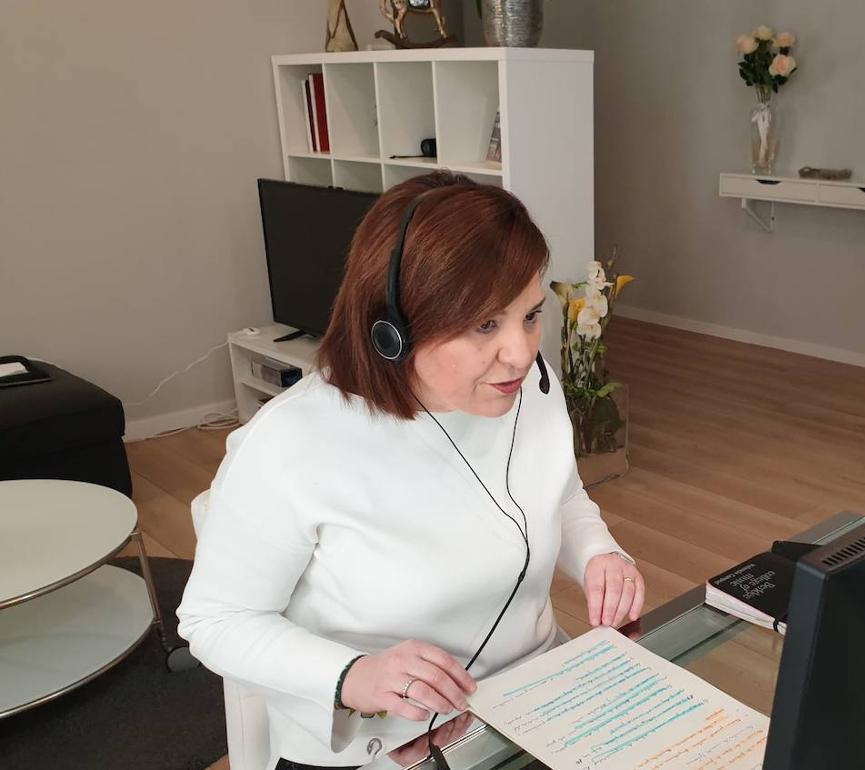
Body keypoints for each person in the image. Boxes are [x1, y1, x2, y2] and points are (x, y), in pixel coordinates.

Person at [178, 172, 645, 770]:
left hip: (534, 696)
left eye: (530, 316)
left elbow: (561, 492)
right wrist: (354, 675)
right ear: (393, 331)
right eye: (485, 325)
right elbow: (215, 620)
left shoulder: (530, 387)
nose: (522, 352)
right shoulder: (293, 444)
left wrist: (599, 553)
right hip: (386, 741)